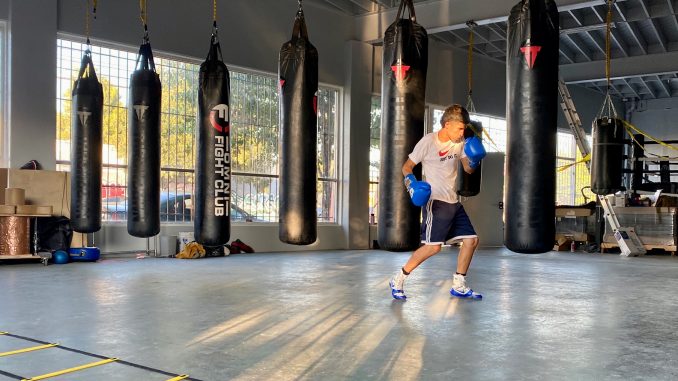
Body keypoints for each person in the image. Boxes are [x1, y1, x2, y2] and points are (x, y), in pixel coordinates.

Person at [389, 104, 486, 300]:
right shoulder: (428, 141)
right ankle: (398, 278)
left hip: (453, 201)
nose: (462, 132)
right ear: (447, 124)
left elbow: (467, 169)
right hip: (436, 202)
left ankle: (458, 284)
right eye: (459, 128)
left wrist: (474, 160)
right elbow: (407, 167)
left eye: (464, 129)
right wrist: (412, 185)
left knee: (471, 240)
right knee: (433, 247)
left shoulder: (461, 143)